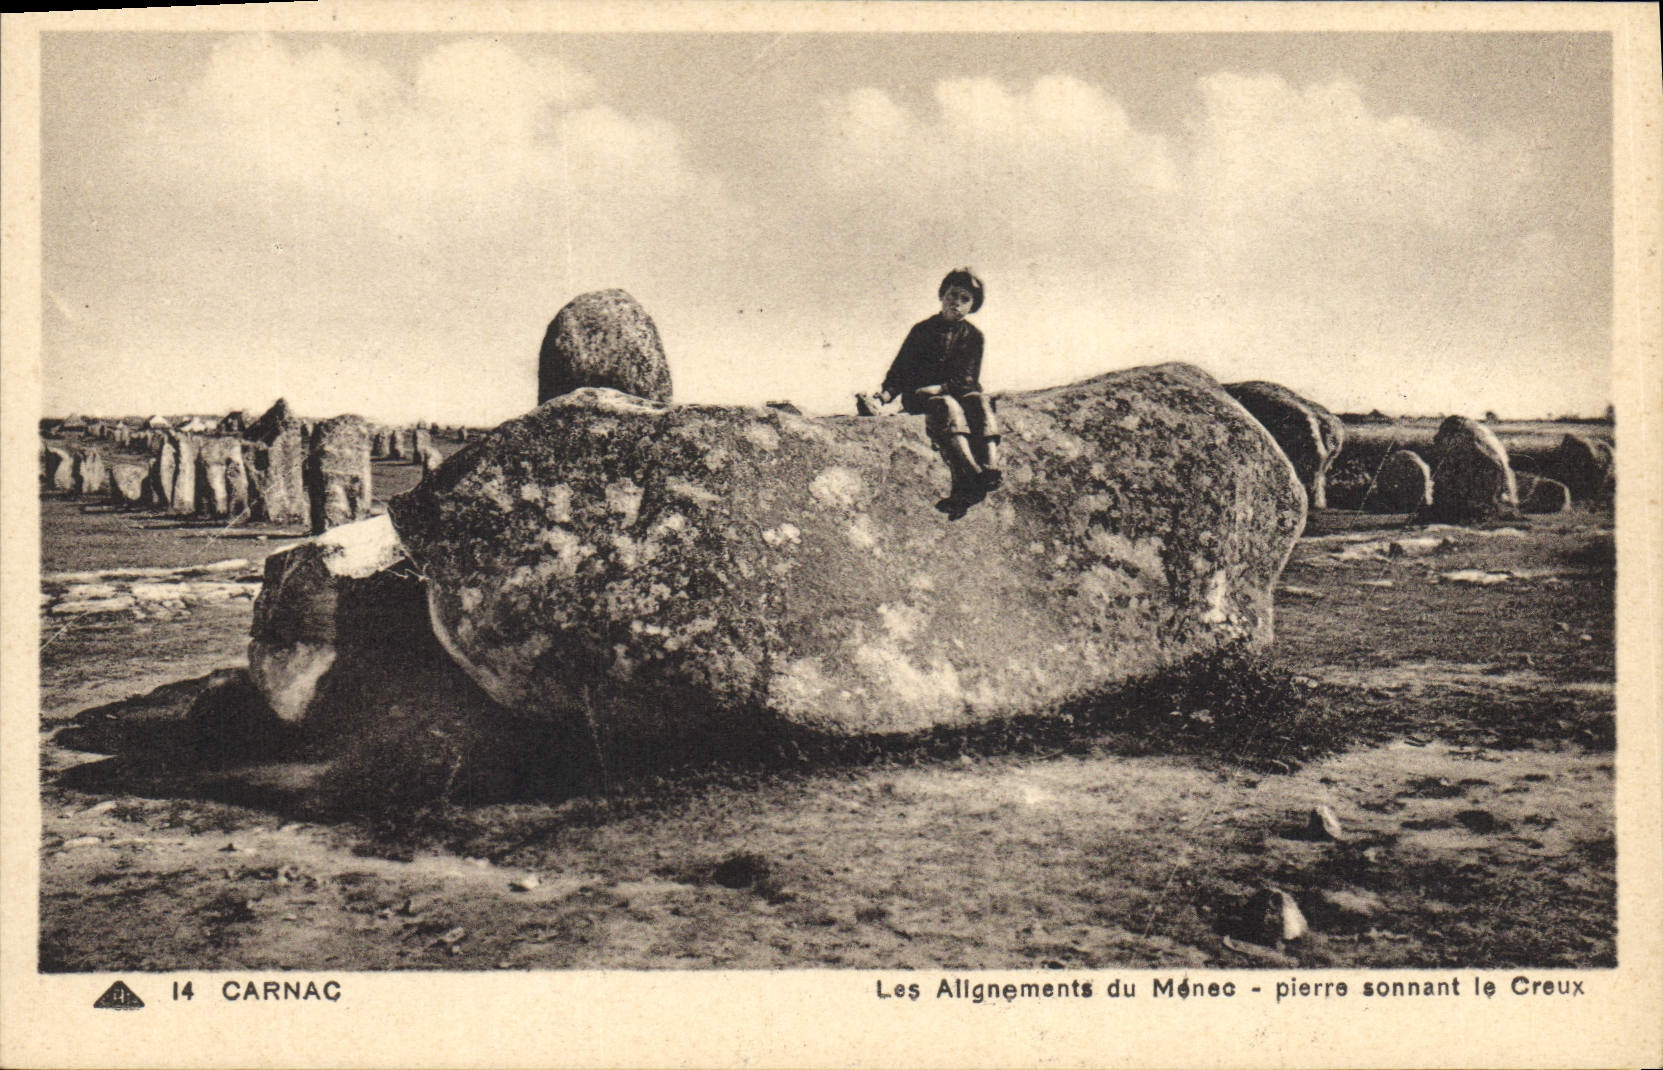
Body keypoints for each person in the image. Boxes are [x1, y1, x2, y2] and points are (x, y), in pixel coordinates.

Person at [872, 268, 1002, 509]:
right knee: (948, 405)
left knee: (982, 401)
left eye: (965, 300)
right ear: (942, 295)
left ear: (972, 306)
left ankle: (991, 467)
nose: (957, 303)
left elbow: (969, 378)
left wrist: (942, 387)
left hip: (958, 392)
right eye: (953, 295)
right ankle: (972, 471)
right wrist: (885, 395)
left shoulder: (974, 336)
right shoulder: (921, 330)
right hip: (921, 397)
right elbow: (900, 370)